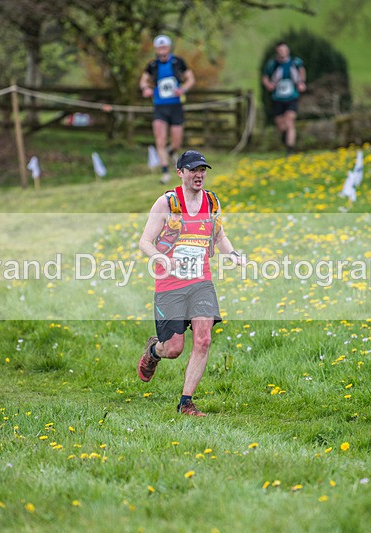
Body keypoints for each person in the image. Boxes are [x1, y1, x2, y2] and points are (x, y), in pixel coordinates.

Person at [137, 150, 245, 416]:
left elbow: (219, 237)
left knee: (204, 339)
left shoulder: (211, 202)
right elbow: (145, 242)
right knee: (173, 349)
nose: (199, 175)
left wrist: (232, 254)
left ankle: (186, 402)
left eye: (203, 170)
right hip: (170, 285)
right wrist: (163, 258)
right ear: (180, 173)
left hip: (201, 282)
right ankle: (154, 350)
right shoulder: (167, 203)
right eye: (193, 170)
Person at [139, 35, 195, 184]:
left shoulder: (178, 62)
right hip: (159, 107)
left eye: (164, 47)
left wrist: (183, 89)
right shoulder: (152, 65)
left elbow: (191, 79)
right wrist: (145, 89)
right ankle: (165, 172)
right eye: (159, 47)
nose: (162, 50)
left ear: (169, 48)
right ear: (156, 49)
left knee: (176, 142)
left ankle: (171, 152)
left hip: (176, 106)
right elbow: (143, 80)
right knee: (160, 139)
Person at [262, 42, 306, 154]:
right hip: (277, 98)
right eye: (280, 50)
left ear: (288, 51)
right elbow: (265, 77)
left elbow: (301, 71)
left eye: (284, 50)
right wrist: (268, 85)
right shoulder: (272, 64)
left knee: (290, 121)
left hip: (292, 97)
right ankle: (285, 138)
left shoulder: (295, 62)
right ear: (277, 52)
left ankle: (290, 149)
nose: (282, 52)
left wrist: (301, 83)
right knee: (281, 125)